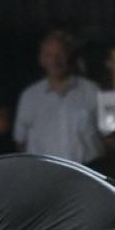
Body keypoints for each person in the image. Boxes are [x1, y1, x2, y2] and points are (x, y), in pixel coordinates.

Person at [12, 30, 104, 166]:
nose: (55, 61)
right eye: (49, 55)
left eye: (60, 54)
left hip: (88, 172)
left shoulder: (92, 90)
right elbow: (21, 140)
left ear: (69, 57)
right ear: (42, 60)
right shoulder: (30, 97)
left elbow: (110, 138)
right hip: (45, 174)